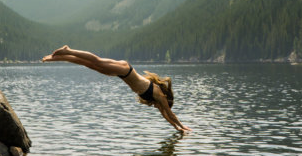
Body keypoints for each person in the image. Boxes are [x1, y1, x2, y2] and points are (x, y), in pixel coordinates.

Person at [42, 46, 191, 133]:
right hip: (125, 70)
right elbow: (170, 114)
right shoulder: (160, 96)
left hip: (122, 73)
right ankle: (68, 50)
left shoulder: (157, 99)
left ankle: (55, 58)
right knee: (96, 61)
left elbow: (166, 116)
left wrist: (177, 129)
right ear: (166, 99)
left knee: (90, 65)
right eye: (163, 106)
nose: (160, 108)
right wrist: (182, 126)